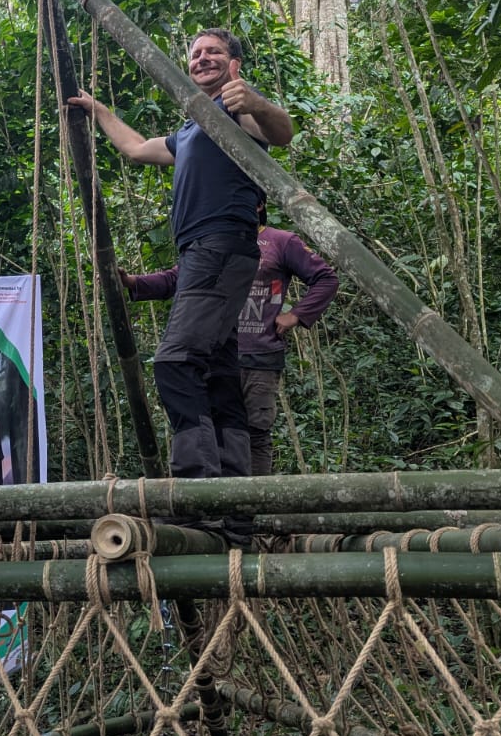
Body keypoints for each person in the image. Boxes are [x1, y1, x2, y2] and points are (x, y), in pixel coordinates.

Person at [68, 30, 293, 534]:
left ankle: (196, 494)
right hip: (199, 254)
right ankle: (235, 508)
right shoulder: (192, 128)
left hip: (221, 244)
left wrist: (253, 98)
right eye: (194, 53)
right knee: (216, 375)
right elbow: (134, 148)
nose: (202, 58)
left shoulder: (237, 111)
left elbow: (281, 132)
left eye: (213, 51)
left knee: (175, 363)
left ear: (233, 64)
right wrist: (98, 109)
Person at [120, 219, 339, 476]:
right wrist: (132, 281)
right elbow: (177, 279)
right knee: (212, 430)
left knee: (255, 432)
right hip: (214, 354)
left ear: (256, 204)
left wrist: (296, 315)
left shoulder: (281, 241)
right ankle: (216, 502)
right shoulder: (212, 240)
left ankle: (251, 506)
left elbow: (326, 278)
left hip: (258, 355)